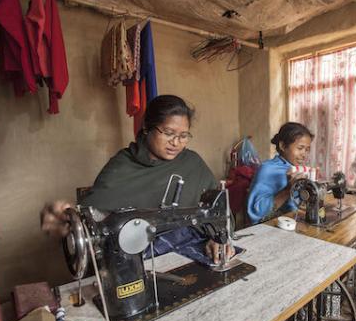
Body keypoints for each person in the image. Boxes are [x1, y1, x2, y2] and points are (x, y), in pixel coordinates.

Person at [41, 95, 234, 263]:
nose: (176, 143)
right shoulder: (122, 165)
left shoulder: (192, 163)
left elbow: (220, 211)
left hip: (189, 251)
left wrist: (218, 238)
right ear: (146, 127)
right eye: (168, 133)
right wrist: (69, 222)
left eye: (184, 136)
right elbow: (94, 220)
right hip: (139, 260)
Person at [247, 122, 314, 224]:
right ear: (283, 146)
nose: (304, 155)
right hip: (268, 228)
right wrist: (288, 190)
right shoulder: (267, 170)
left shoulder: (295, 170)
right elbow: (257, 213)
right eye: (300, 148)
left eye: (307, 150)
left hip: (290, 223)